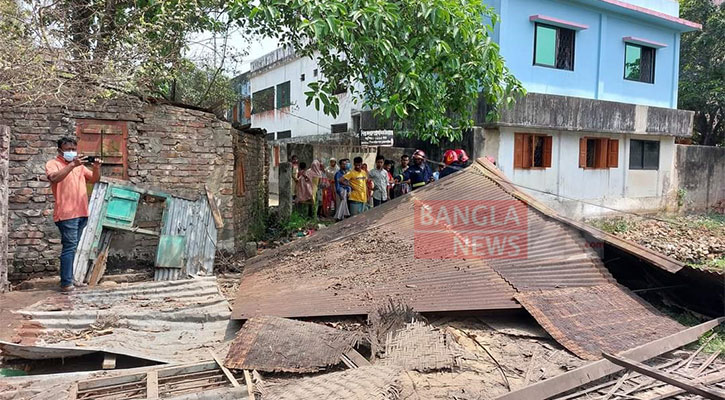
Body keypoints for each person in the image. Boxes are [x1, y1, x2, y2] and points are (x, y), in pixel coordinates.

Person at [45, 137, 102, 292]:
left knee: (73, 247)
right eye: (67, 149)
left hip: (82, 212)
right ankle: (66, 283)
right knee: (69, 247)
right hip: (66, 214)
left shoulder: (80, 166)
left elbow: (95, 180)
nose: (71, 152)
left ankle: (70, 279)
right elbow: (54, 178)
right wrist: (71, 165)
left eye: (73, 149)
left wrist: (96, 167)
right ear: (60, 150)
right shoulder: (53, 164)